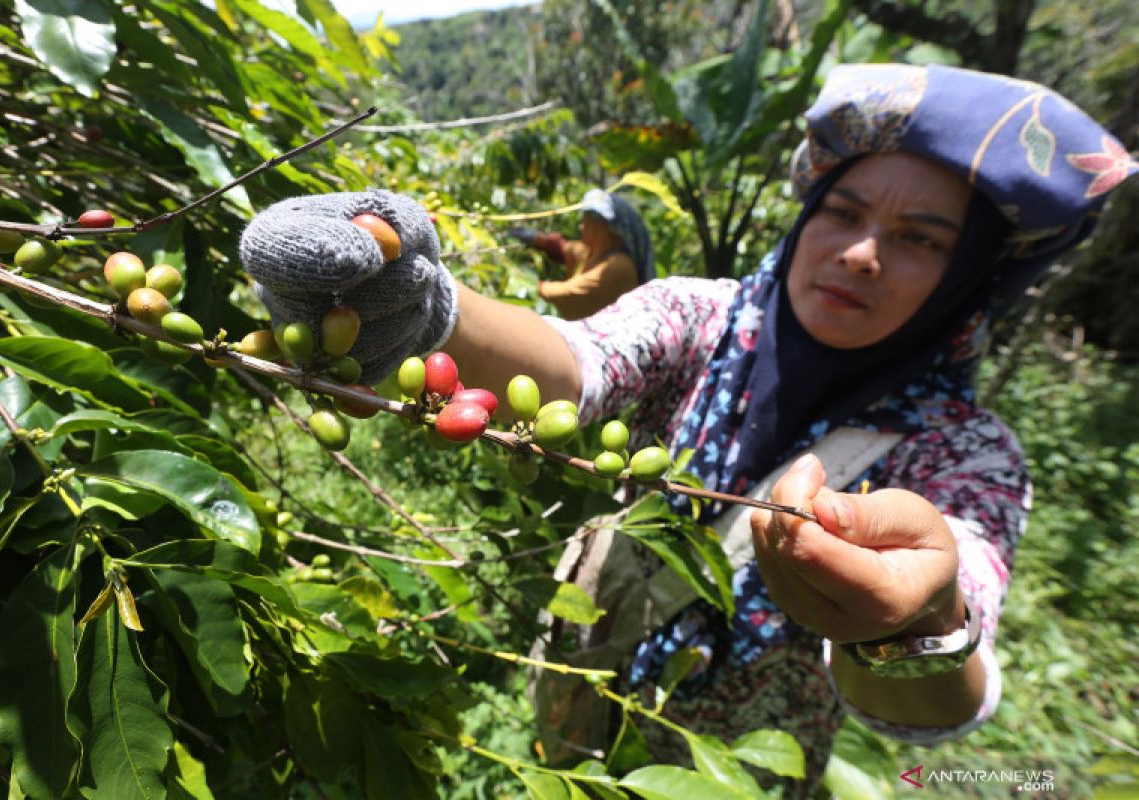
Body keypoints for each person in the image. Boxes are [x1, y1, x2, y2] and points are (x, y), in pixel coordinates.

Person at [239, 63, 1137, 793]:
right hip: (582, 701)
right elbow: (573, 362)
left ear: (969, 281)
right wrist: (423, 312)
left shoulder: (966, 453)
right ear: (806, 217)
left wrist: (914, 624)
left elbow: (944, 698)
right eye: (846, 214)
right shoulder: (702, 319)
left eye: (922, 240)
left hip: (736, 774)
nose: (862, 252)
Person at [508, 189, 656, 319]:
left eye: (587, 222)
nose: (582, 226)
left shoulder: (618, 266)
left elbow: (567, 293)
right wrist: (538, 240)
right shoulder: (595, 253)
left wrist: (521, 283)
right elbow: (565, 249)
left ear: (605, 229)